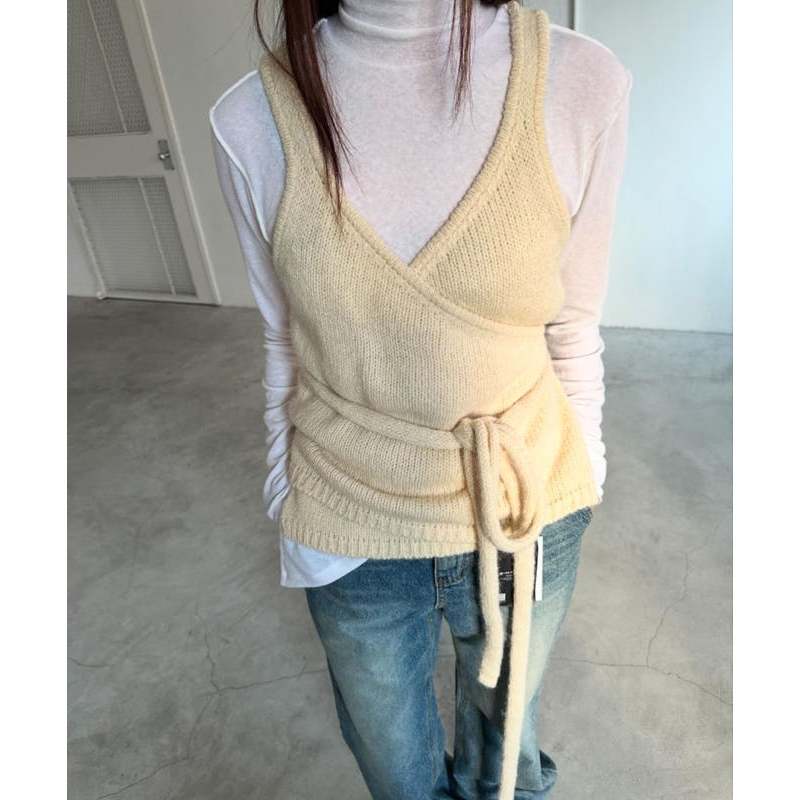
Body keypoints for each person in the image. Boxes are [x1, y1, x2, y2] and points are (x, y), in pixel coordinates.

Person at [209, 1, 632, 798]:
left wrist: (586, 476)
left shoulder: (580, 80)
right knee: (396, 774)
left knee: (503, 761)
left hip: (525, 502)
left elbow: (574, 323)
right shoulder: (249, 119)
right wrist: (283, 491)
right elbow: (283, 338)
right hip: (349, 515)